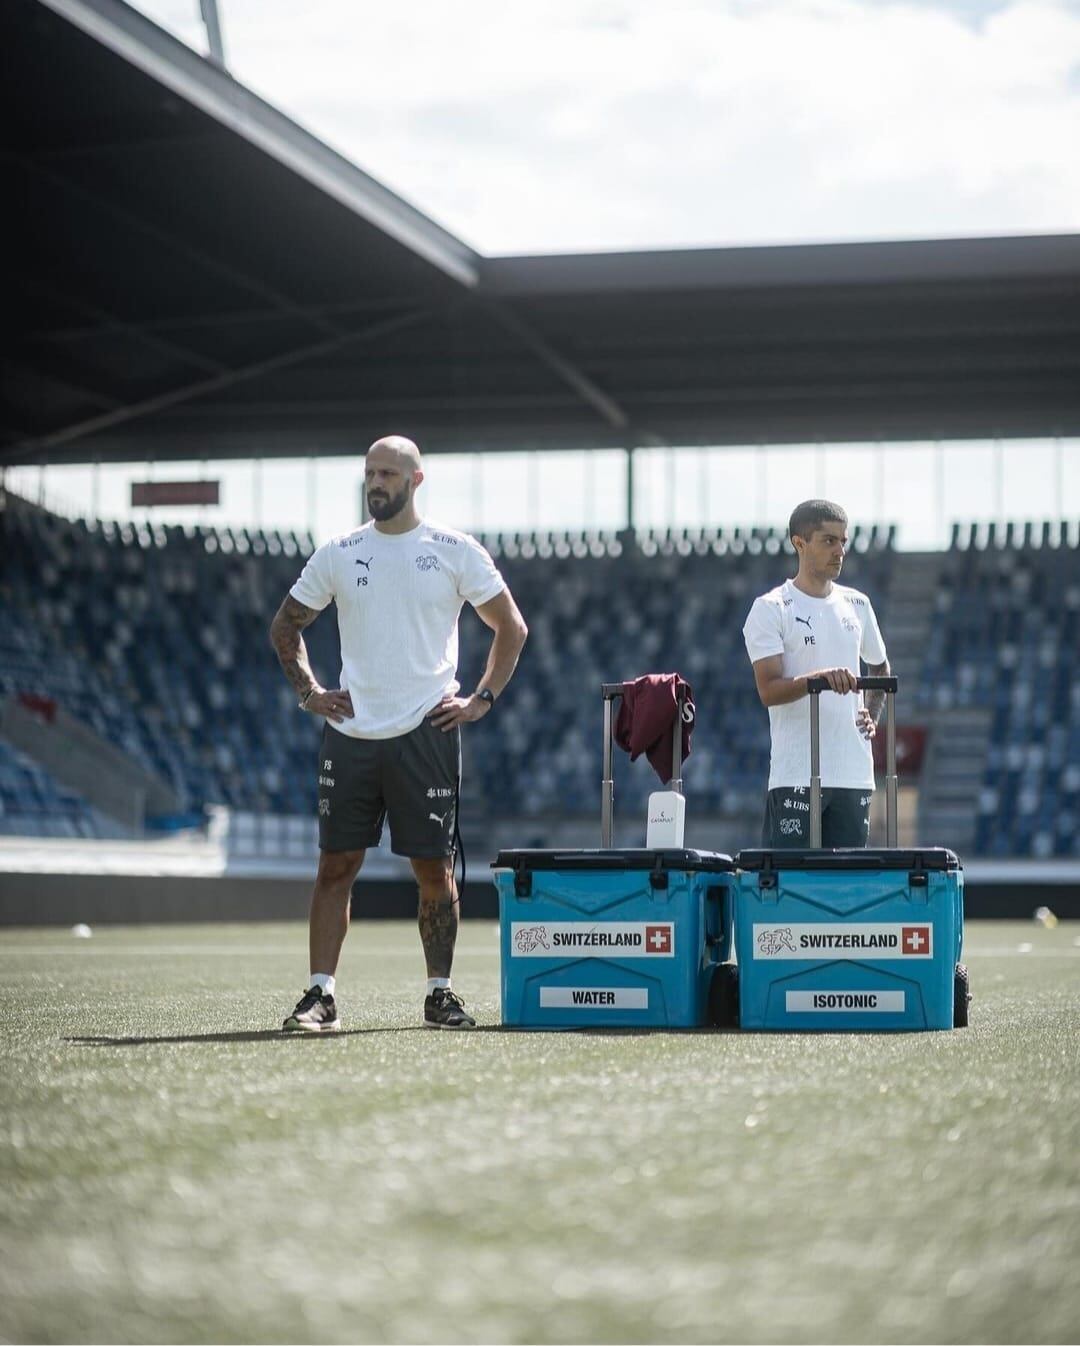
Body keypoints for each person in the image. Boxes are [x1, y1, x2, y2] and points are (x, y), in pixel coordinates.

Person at [270, 435, 528, 1030]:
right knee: (335, 867)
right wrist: (309, 692)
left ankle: (440, 995)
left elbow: (510, 627)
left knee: (433, 871)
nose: (375, 483)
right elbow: (285, 626)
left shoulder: (454, 551)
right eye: (369, 473)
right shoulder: (338, 552)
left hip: (426, 732)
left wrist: (482, 699)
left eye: (387, 473)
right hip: (351, 731)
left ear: (416, 480)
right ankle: (320, 996)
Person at [741, 499, 890, 848]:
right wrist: (819, 680)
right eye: (828, 540)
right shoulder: (770, 608)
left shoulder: (858, 603)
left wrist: (872, 714)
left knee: (846, 890)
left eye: (843, 541)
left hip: (854, 774)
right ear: (799, 543)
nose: (840, 550)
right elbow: (768, 690)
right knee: (790, 889)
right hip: (796, 774)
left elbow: (881, 667)